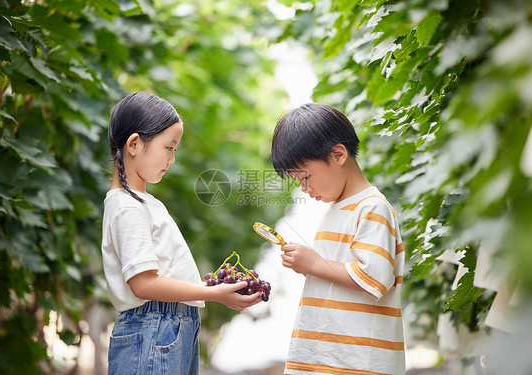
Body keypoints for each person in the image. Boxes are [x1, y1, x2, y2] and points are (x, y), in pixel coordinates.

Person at [101, 92, 262, 375]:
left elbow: (160, 275)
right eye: (169, 147)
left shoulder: (143, 203)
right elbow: (143, 284)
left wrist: (214, 291)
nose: (172, 159)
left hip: (169, 327)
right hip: (154, 328)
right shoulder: (126, 206)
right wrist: (210, 294)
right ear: (135, 144)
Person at [271, 103, 405, 375]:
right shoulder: (337, 209)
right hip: (329, 358)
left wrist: (314, 264)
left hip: (355, 362)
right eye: (299, 182)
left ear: (339, 154)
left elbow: (375, 278)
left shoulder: (372, 207)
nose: (305, 188)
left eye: (306, 177)